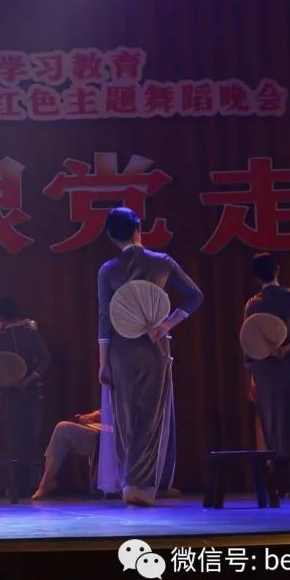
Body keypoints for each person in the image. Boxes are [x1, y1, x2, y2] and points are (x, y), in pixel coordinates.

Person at [97, 208, 203, 506]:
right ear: (138, 228)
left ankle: (128, 483)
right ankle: (143, 485)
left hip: (120, 351)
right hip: (154, 348)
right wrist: (167, 324)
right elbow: (195, 296)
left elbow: (104, 318)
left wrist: (103, 362)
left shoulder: (108, 269)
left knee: (124, 417)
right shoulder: (162, 262)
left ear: (111, 236)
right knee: (151, 415)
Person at [243, 253, 290, 493]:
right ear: (277, 269)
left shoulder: (253, 304)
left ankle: (275, 476)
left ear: (255, 276)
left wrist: (249, 378)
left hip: (263, 369)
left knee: (270, 421)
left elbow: (247, 342)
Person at [0, 297, 51, 495]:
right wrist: (30, 379)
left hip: (14, 395)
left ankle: (17, 486)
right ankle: (35, 485)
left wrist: (8, 388)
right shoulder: (30, 334)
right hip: (31, 392)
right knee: (33, 439)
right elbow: (45, 359)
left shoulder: (1, 339)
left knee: (16, 440)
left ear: (0, 317)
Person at [31, 409, 101, 500]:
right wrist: (91, 416)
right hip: (102, 432)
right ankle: (47, 480)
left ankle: (44, 484)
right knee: (62, 428)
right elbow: (107, 410)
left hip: (112, 440)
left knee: (63, 428)